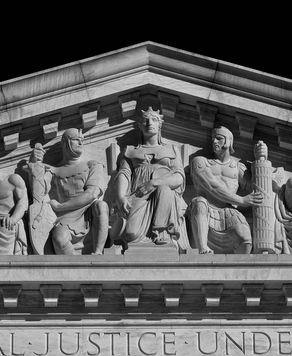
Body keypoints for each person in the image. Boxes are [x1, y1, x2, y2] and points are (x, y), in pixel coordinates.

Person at [112, 107, 188, 249]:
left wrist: (154, 183)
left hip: (164, 197)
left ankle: (162, 231)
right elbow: (124, 174)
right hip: (138, 195)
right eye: (145, 121)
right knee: (130, 233)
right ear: (140, 125)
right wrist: (121, 197)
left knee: (164, 189)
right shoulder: (130, 151)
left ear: (160, 124)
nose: (149, 123)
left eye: (154, 120)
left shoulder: (172, 150)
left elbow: (179, 177)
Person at [29, 129, 109, 255]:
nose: (80, 143)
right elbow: (39, 191)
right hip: (65, 217)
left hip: (88, 213)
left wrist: (60, 206)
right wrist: (35, 164)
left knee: (101, 205)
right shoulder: (54, 170)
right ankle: (76, 270)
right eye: (76, 139)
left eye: (82, 140)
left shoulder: (93, 165)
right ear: (65, 142)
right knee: (59, 239)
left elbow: (92, 194)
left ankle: (98, 252)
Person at [189, 127, 263, 254]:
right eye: (213, 139)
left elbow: (257, 188)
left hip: (228, 212)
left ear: (229, 141)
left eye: (219, 138)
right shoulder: (200, 162)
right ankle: (202, 249)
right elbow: (212, 187)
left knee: (245, 239)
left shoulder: (238, 167)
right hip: (206, 209)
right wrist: (241, 200)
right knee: (199, 202)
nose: (214, 142)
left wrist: (261, 159)